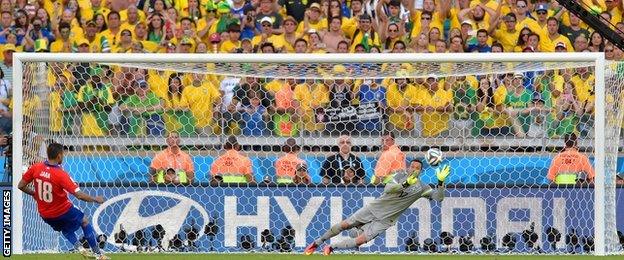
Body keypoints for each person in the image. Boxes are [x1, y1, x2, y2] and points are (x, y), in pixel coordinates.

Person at [304, 160, 451, 255]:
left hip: (386, 219)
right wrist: (405, 184)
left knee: (361, 240)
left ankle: (331, 248)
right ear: (408, 167)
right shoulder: (399, 176)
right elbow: (388, 189)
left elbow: (439, 198)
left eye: (417, 168)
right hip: (374, 208)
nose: (414, 169)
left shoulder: (422, 187)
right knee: (344, 225)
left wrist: (440, 182)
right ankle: (316, 243)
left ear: (420, 171)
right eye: (412, 166)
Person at [17, 143, 109, 260]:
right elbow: (79, 195)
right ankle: (98, 254)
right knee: (84, 221)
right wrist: (96, 199)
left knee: (64, 228)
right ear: (59, 156)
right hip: (63, 210)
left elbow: (21, 185)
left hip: (45, 215)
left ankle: (79, 247)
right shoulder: (60, 174)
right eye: (63, 155)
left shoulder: (36, 168)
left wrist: (34, 194)